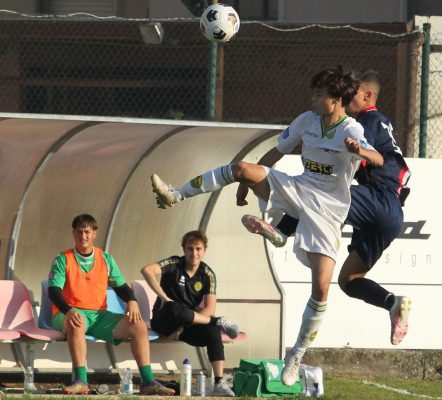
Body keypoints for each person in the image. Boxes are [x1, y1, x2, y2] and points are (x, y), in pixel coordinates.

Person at [150, 66, 383, 386]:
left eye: (319, 94)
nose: (313, 98)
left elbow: (378, 160)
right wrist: (248, 182)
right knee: (240, 168)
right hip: (299, 188)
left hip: (328, 212)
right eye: (314, 93)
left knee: (321, 288)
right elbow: (277, 150)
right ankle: (175, 195)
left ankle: (297, 353)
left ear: (337, 99)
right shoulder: (307, 121)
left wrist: (361, 152)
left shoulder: (352, 129)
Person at [241, 69, 412, 346]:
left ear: (367, 96)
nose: (344, 98)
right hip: (388, 213)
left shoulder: (365, 121)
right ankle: (393, 303)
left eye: (351, 94)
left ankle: (280, 231)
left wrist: (304, 142)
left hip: (376, 197)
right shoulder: (378, 123)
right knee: (349, 280)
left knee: (319, 196)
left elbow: (342, 148)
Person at [47, 214, 175, 395]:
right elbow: (53, 291)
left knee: (138, 325)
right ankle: (81, 381)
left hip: (99, 315)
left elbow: (121, 287)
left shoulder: (106, 259)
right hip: (69, 313)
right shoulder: (63, 259)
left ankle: (148, 382)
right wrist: (68, 311)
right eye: (79, 232)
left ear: (94, 234)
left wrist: (132, 300)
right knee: (77, 322)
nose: (83, 237)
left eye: (87, 232)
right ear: (73, 233)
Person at [141, 230, 238, 397]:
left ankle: (219, 384)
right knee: (174, 306)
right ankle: (217, 321)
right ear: (184, 250)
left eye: (198, 249)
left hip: (185, 325)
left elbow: (210, 309)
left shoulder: (207, 274)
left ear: (205, 250)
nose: (194, 253)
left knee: (213, 331)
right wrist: (164, 298)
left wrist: (183, 327)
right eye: (190, 249)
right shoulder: (174, 263)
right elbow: (147, 270)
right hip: (164, 319)